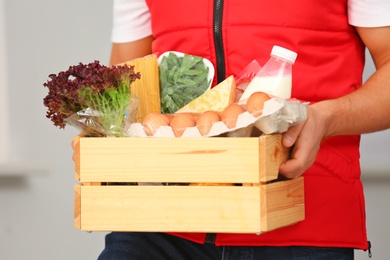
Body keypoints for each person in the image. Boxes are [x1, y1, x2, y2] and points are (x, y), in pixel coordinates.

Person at [94, 0, 390, 259]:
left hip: (302, 220)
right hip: (163, 220)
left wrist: (326, 118)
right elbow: (127, 77)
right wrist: (101, 134)